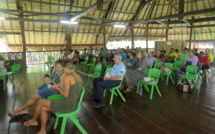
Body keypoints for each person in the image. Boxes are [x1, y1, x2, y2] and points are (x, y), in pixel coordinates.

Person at [23, 61, 82, 134]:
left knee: (41, 101)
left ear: (65, 68)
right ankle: (42, 131)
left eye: (62, 69)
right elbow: (71, 91)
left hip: (68, 105)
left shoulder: (68, 76)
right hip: (72, 103)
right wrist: (61, 86)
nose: (62, 71)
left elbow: (66, 95)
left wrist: (57, 88)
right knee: (43, 108)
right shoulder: (76, 75)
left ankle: (34, 120)